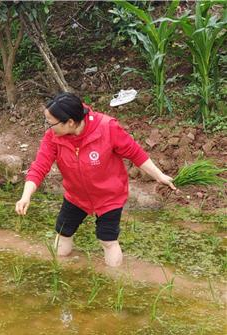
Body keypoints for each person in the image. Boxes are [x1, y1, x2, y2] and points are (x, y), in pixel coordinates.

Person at [15, 92, 175, 267]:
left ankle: (114, 281)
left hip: (109, 197)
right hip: (75, 196)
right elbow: (39, 166)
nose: (48, 127)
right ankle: (60, 269)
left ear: (69, 122)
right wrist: (26, 196)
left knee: (107, 240)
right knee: (63, 232)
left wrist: (159, 176)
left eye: (51, 123)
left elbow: (135, 153)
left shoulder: (107, 127)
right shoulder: (53, 137)